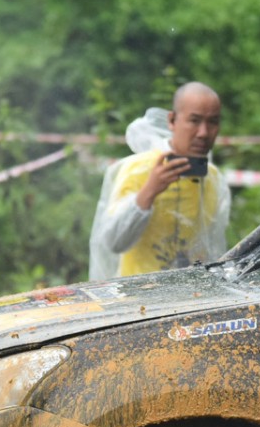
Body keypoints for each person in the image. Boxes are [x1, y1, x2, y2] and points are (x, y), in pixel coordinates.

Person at [89, 81, 231, 280]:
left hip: (194, 299)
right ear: (172, 121)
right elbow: (112, 243)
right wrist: (148, 192)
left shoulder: (214, 179)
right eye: (194, 120)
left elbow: (215, 250)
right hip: (139, 299)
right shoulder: (137, 171)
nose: (203, 133)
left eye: (213, 122)